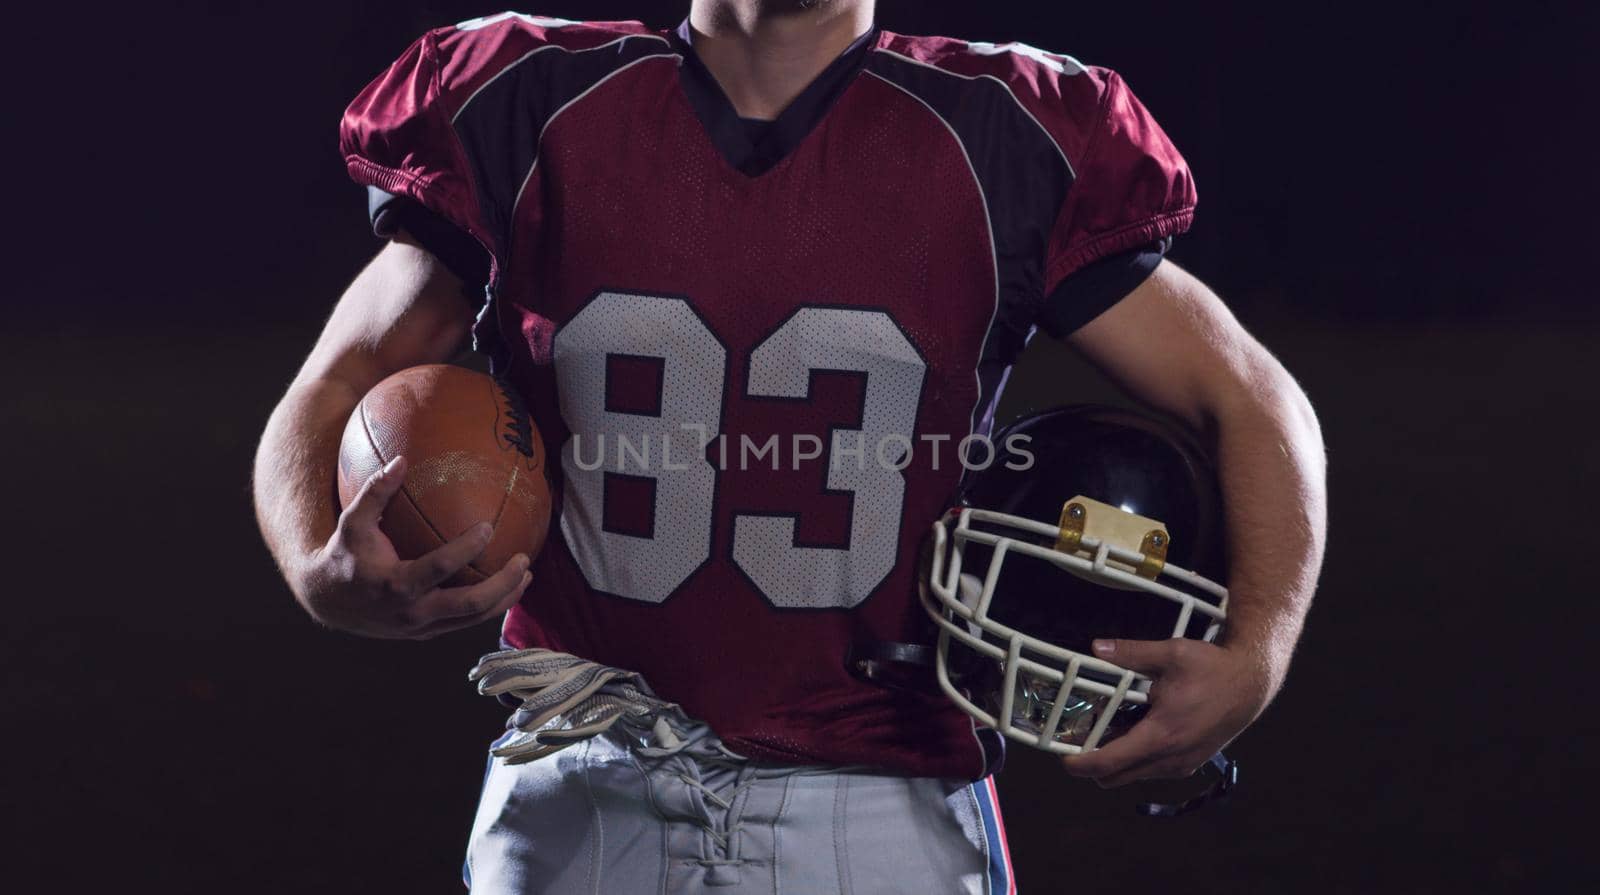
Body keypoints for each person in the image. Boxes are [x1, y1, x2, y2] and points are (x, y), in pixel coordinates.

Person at [252, 1, 1327, 891]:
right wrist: (316, 563)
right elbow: (339, 379)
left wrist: (1258, 651)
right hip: (580, 773)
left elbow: (1252, 397)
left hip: (878, 795)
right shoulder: (526, 102)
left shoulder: (1003, 134)